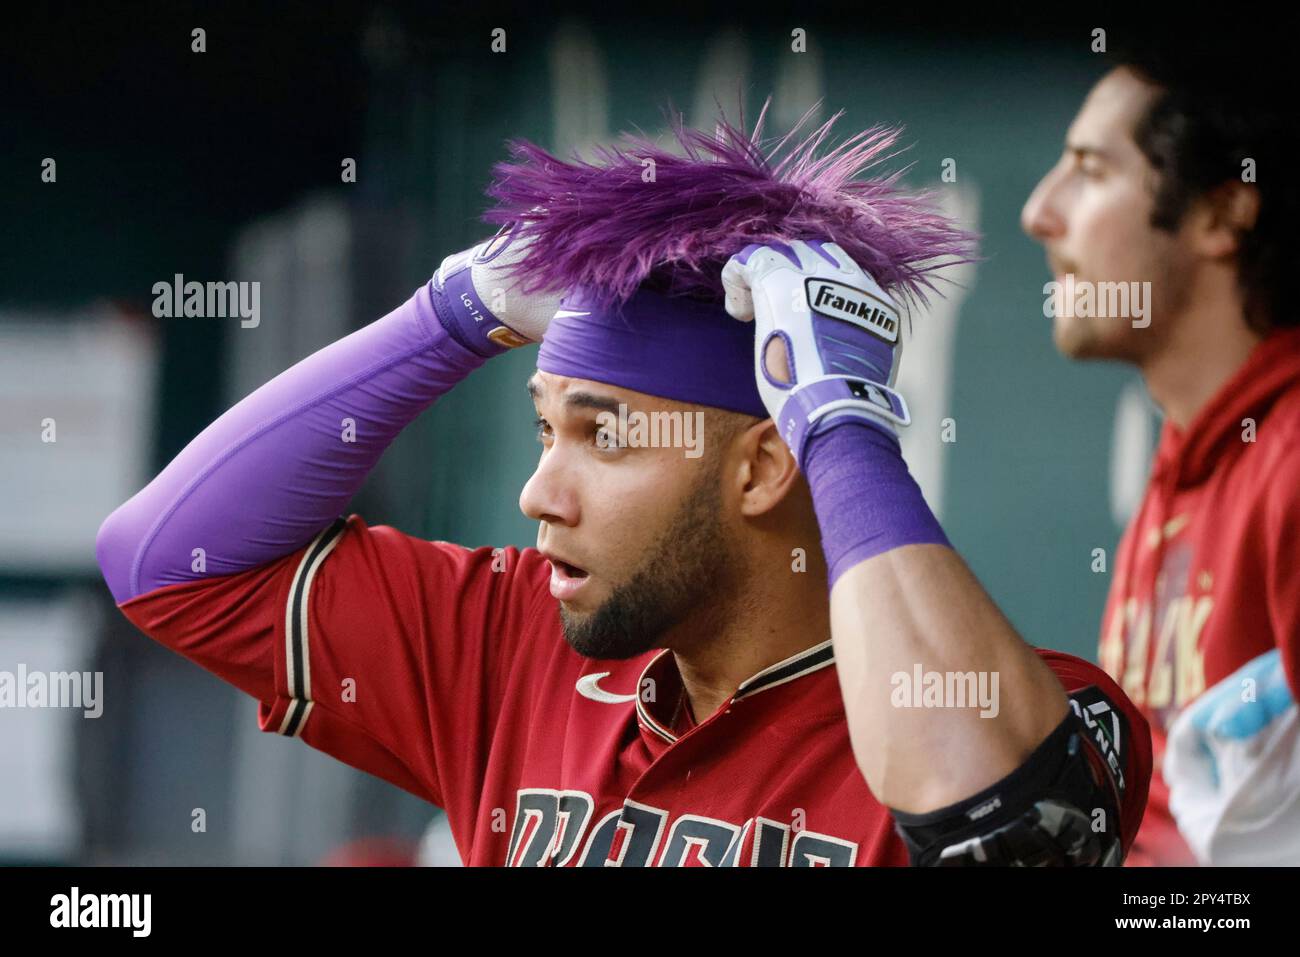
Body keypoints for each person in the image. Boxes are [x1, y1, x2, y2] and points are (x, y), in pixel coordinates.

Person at [96, 105, 1149, 866]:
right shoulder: (514, 642)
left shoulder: (1026, 707)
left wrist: (838, 421)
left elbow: (1009, 829)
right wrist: (453, 314)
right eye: (542, 428)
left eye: (602, 437)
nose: (538, 492)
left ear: (763, 464)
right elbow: (163, 564)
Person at [1021, 26, 1299, 865]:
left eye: (1092, 169)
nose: (1041, 211)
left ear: (1222, 212)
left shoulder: (1288, 460)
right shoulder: (1194, 449)